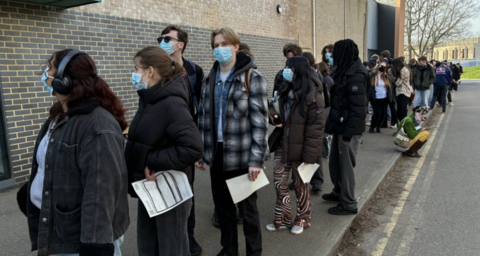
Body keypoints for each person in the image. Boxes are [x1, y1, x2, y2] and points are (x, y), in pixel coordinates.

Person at [27, 49, 129, 256]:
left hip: (82, 240)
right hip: (57, 228)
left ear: (63, 80)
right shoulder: (59, 115)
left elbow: (101, 191)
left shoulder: (97, 126)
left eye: (49, 68)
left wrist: (94, 248)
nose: (44, 73)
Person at [197, 27, 269, 256]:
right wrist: (201, 151)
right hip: (217, 154)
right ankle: (229, 250)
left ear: (236, 47)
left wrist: (256, 159)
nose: (219, 49)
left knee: (248, 212)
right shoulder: (209, 80)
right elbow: (204, 118)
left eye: (224, 44)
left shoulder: (253, 78)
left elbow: (259, 123)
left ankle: (253, 252)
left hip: (242, 156)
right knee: (223, 209)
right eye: (215, 46)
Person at [125, 46, 203, 256]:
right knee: (149, 245)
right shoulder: (150, 98)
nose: (133, 73)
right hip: (150, 188)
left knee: (171, 248)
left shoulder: (171, 103)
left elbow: (193, 147)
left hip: (168, 189)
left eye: (136, 68)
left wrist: (153, 161)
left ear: (150, 71)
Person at [157, 24, 204, 256]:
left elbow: (199, 108)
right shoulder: (155, 68)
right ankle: (165, 239)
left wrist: (198, 143)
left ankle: (189, 235)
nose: (162, 41)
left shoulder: (194, 70)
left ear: (180, 44)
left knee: (187, 189)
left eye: (168, 38)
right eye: (161, 38)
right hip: (162, 140)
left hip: (184, 139)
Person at [266, 56, 325, 234]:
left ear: (298, 70)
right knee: (279, 183)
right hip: (282, 144)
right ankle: (282, 219)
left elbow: (316, 129)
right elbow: (270, 106)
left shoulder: (314, 94)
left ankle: (303, 218)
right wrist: (273, 115)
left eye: (289, 68)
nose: (286, 71)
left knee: (301, 185)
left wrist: (309, 157)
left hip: (302, 148)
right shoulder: (284, 89)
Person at [322, 39, 367, 215]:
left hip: (350, 129)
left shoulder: (356, 75)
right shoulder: (344, 71)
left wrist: (348, 135)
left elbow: (358, 109)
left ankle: (348, 203)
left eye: (334, 54)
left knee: (346, 167)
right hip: (341, 126)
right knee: (335, 163)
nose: (332, 57)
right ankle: (338, 192)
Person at [302, 52, 328, 193]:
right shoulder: (296, 76)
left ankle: (317, 181)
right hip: (302, 121)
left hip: (312, 119)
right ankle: (303, 179)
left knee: (314, 151)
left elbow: (319, 98)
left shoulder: (314, 75)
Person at [368, 61, 393, 134]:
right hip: (375, 97)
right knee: (377, 113)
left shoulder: (386, 76)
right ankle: (372, 127)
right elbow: (369, 86)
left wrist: (391, 75)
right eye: (381, 66)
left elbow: (391, 84)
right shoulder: (372, 75)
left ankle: (378, 127)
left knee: (383, 113)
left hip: (384, 97)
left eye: (384, 67)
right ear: (378, 66)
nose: (382, 68)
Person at [392, 58, 412, 122]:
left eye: (394, 65)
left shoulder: (402, 71)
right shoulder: (406, 69)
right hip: (405, 92)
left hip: (402, 92)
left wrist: (391, 78)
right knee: (402, 112)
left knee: (401, 113)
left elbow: (398, 83)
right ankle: (403, 128)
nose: (394, 67)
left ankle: (404, 128)